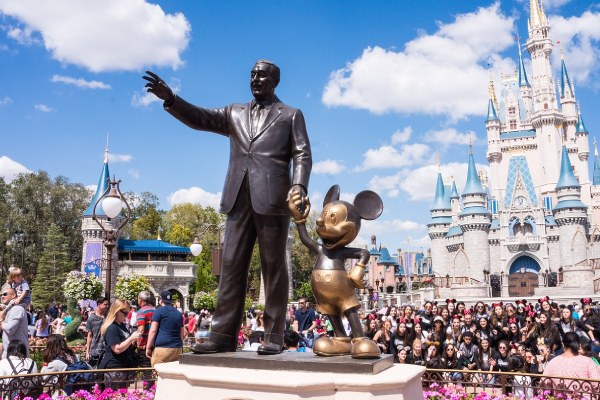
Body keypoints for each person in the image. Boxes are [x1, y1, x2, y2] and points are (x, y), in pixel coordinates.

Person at [144, 59, 312, 356]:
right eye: (252, 74)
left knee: (274, 268)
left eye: (261, 75)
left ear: (275, 81)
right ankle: (222, 335)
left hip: (273, 198)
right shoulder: (234, 112)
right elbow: (200, 118)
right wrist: (171, 99)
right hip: (237, 196)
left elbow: (302, 154)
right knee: (232, 265)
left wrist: (298, 186)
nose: (255, 79)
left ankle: (273, 335)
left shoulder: (291, 115)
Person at [98, 299, 140, 389]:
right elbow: (117, 349)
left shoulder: (121, 325)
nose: (126, 316)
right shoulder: (112, 328)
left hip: (123, 366)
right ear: (117, 312)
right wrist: (131, 338)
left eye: (128, 313)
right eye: (125, 313)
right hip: (114, 369)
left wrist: (132, 341)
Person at [146, 290, 184, 366]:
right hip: (177, 348)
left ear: (161, 301)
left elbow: (153, 330)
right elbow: (182, 332)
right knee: (173, 375)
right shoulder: (178, 313)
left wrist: (148, 347)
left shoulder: (158, 311)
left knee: (157, 372)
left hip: (162, 347)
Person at [0, 288, 29, 359]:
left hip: (17, 354)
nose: (2, 296)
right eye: (1, 295)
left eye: (5, 294)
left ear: (13, 295)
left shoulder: (17, 309)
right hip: (10, 353)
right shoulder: (10, 310)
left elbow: (10, 329)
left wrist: (1, 321)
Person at [136, 291, 155, 388]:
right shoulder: (155, 310)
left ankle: (148, 393)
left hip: (144, 345)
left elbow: (141, 329)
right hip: (154, 345)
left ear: (140, 299)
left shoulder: (141, 312)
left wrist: (135, 340)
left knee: (147, 371)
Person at [85, 297, 109, 368]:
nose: (107, 306)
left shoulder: (108, 318)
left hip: (106, 349)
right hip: (95, 350)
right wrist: (87, 352)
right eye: (105, 304)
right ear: (99, 304)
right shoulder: (91, 318)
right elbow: (89, 336)